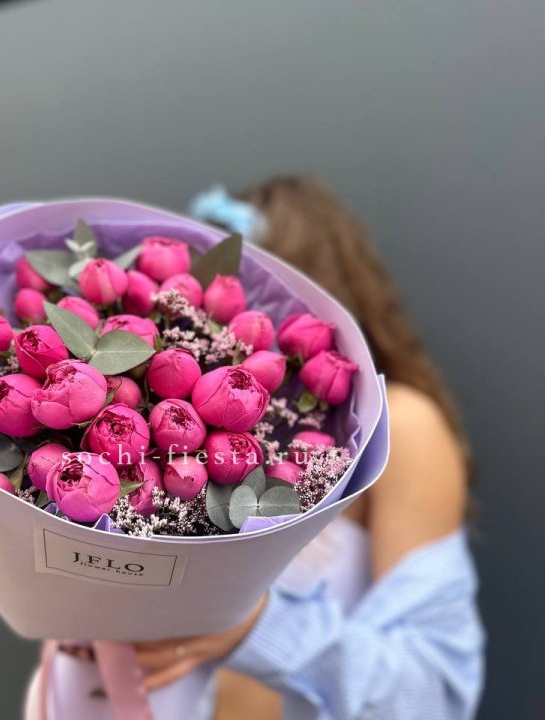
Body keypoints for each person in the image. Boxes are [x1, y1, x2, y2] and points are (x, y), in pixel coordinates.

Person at [24, 177, 485, 720]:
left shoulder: (402, 426)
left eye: (237, 295)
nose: (211, 327)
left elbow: (435, 695)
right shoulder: (163, 426)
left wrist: (256, 629)